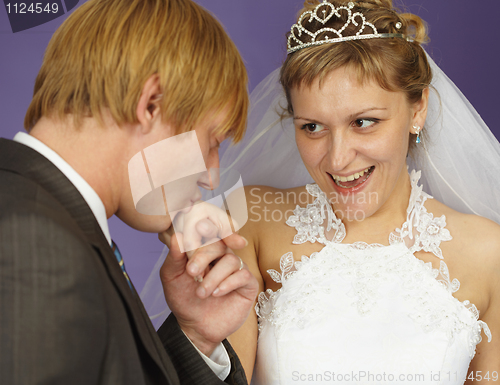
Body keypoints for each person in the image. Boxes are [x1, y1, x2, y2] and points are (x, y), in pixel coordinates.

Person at [218, 0, 500, 383]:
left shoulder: (489, 254)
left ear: (418, 109)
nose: (337, 159)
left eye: (363, 122)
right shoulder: (247, 219)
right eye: (312, 127)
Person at [0, 0, 259, 384]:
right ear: (151, 103)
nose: (210, 176)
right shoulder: (35, 246)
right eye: (212, 141)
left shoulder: (41, 222)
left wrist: (197, 336)